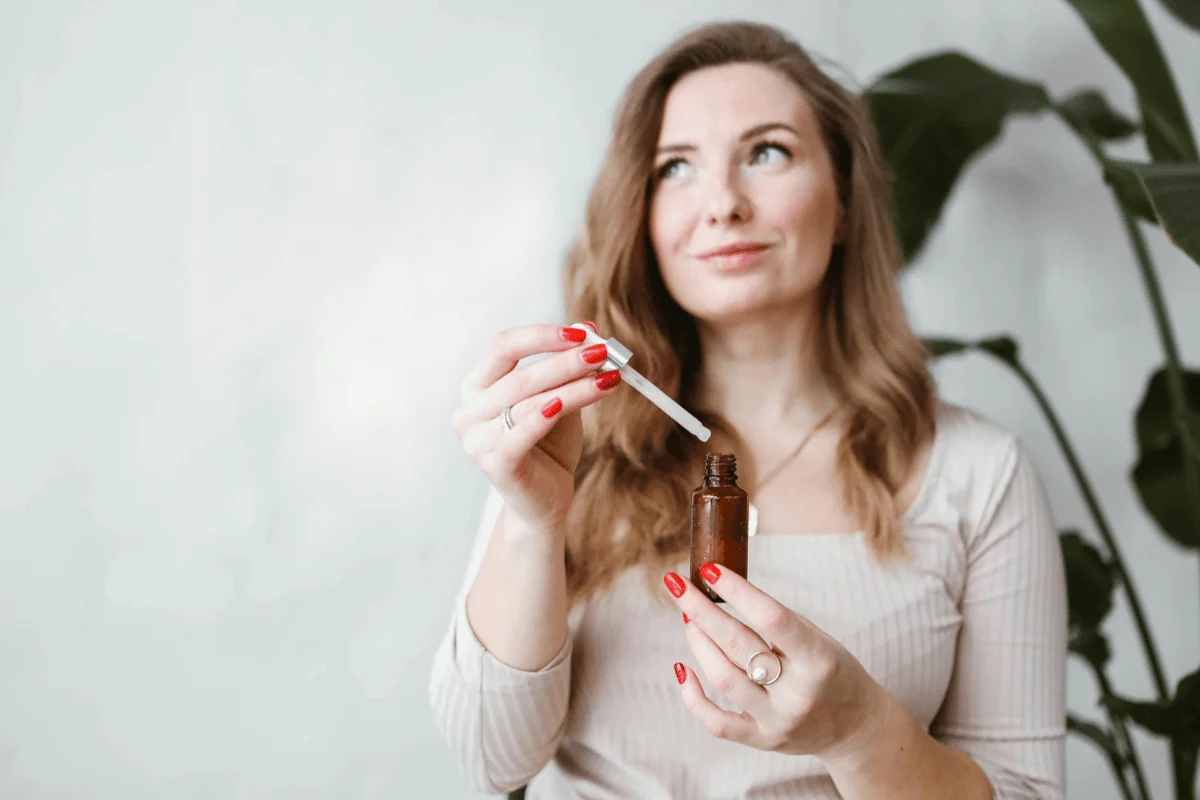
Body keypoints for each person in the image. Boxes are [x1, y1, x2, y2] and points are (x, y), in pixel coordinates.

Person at [429, 19, 1067, 800]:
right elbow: (492, 761)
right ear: (641, 215)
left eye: (767, 152)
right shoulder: (568, 445)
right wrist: (532, 523)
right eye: (676, 168)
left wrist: (859, 732)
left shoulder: (977, 473)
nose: (723, 204)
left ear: (842, 205)